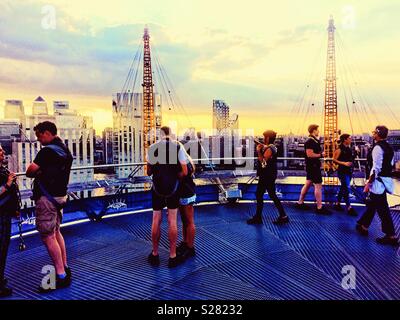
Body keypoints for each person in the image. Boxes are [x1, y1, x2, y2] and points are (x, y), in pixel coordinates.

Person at [26, 121, 73, 291]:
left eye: (39, 135)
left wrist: (38, 171)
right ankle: (65, 268)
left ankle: (60, 276)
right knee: (56, 232)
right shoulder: (65, 150)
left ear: (47, 133)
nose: (38, 139)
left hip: (47, 199)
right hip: (60, 196)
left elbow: (30, 171)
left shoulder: (47, 152)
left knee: (47, 236)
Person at [147, 126, 188, 268]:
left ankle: (155, 254)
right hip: (173, 188)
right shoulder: (178, 147)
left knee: (156, 219)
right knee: (172, 221)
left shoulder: (152, 148)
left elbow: (148, 171)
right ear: (171, 134)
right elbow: (185, 171)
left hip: (157, 188)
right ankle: (172, 256)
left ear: (160, 135)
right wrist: (176, 176)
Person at [356, 126, 399, 246]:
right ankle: (363, 225)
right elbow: (389, 164)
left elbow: (375, 169)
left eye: (374, 132)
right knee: (373, 204)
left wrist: (368, 183)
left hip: (377, 182)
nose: (373, 134)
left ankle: (391, 235)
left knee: (382, 209)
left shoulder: (377, 148)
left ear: (378, 134)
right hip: (384, 180)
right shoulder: (388, 147)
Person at [247, 130, 289, 225]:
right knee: (270, 195)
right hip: (269, 175)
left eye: (265, 137)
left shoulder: (270, 149)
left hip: (267, 175)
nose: (263, 138)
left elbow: (263, 163)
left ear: (268, 138)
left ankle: (259, 217)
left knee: (260, 194)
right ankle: (283, 215)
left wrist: (258, 151)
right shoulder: (271, 147)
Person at [296, 124, 331, 215]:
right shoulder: (310, 141)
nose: (318, 131)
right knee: (318, 185)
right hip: (313, 166)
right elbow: (309, 154)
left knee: (308, 184)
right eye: (317, 130)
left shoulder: (314, 141)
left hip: (312, 166)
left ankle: (300, 202)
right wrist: (321, 155)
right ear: (313, 131)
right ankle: (319, 207)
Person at [0, 145, 20, 298]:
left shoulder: (3, 169)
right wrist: (7, 183)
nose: (3, 152)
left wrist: (15, 209)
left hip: (5, 215)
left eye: (2, 150)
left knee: (3, 247)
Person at [177, 145, 197, 259]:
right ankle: (185, 243)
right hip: (185, 191)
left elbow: (183, 174)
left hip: (187, 192)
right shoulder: (187, 159)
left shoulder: (183, 161)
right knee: (185, 220)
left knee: (189, 221)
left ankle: (190, 247)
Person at [333, 134, 357, 216]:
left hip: (348, 171)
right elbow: (334, 160)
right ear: (345, 140)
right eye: (349, 138)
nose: (351, 139)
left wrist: (356, 153)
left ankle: (337, 204)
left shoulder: (349, 149)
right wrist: (344, 163)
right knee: (346, 188)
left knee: (343, 187)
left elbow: (350, 159)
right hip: (342, 171)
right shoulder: (339, 149)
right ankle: (349, 207)